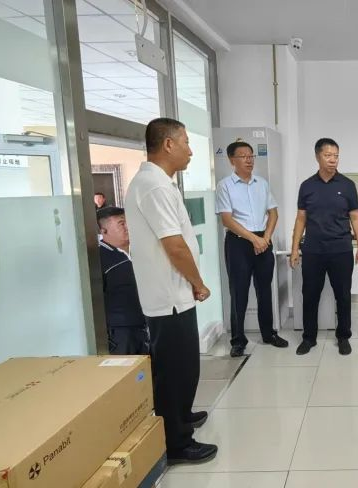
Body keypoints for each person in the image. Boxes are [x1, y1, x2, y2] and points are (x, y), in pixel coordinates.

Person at [124, 117, 217, 463]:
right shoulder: (155, 186)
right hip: (169, 298)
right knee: (175, 370)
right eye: (186, 142)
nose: (190, 151)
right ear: (168, 144)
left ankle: (182, 415)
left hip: (173, 295)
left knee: (184, 366)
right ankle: (176, 442)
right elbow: (174, 246)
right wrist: (198, 283)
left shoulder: (158, 183)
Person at [289, 138, 358, 356]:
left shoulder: (347, 185)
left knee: (343, 295)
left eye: (336, 156)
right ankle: (309, 338)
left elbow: (356, 218)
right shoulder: (307, 186)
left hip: (341, 249)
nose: (333, 160)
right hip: (313, 250)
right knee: (309, 295)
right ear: (317, 157)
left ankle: (343, 336)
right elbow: (301, 219)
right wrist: (295, 249)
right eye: (328, 155)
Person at [216, 140, 289, 357]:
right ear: (232, 160)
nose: (249, 160)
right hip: (239, 242)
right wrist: (253, 239)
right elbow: (227, 219)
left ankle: (268, 334)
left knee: (265, 290)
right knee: (238, 292)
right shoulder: (224, 185)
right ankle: (238, 341)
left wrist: (265, 238)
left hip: (263, 240)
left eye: (251, 156)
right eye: (243, 156)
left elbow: (273, 213)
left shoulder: (262, 184)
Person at [97, 206, 149, 355]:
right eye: (121, 223)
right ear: (104, 230)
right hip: (119, 333)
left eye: (128, 222)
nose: (127, 227)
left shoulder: (138, 252)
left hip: (143, 326)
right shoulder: (99, 258)